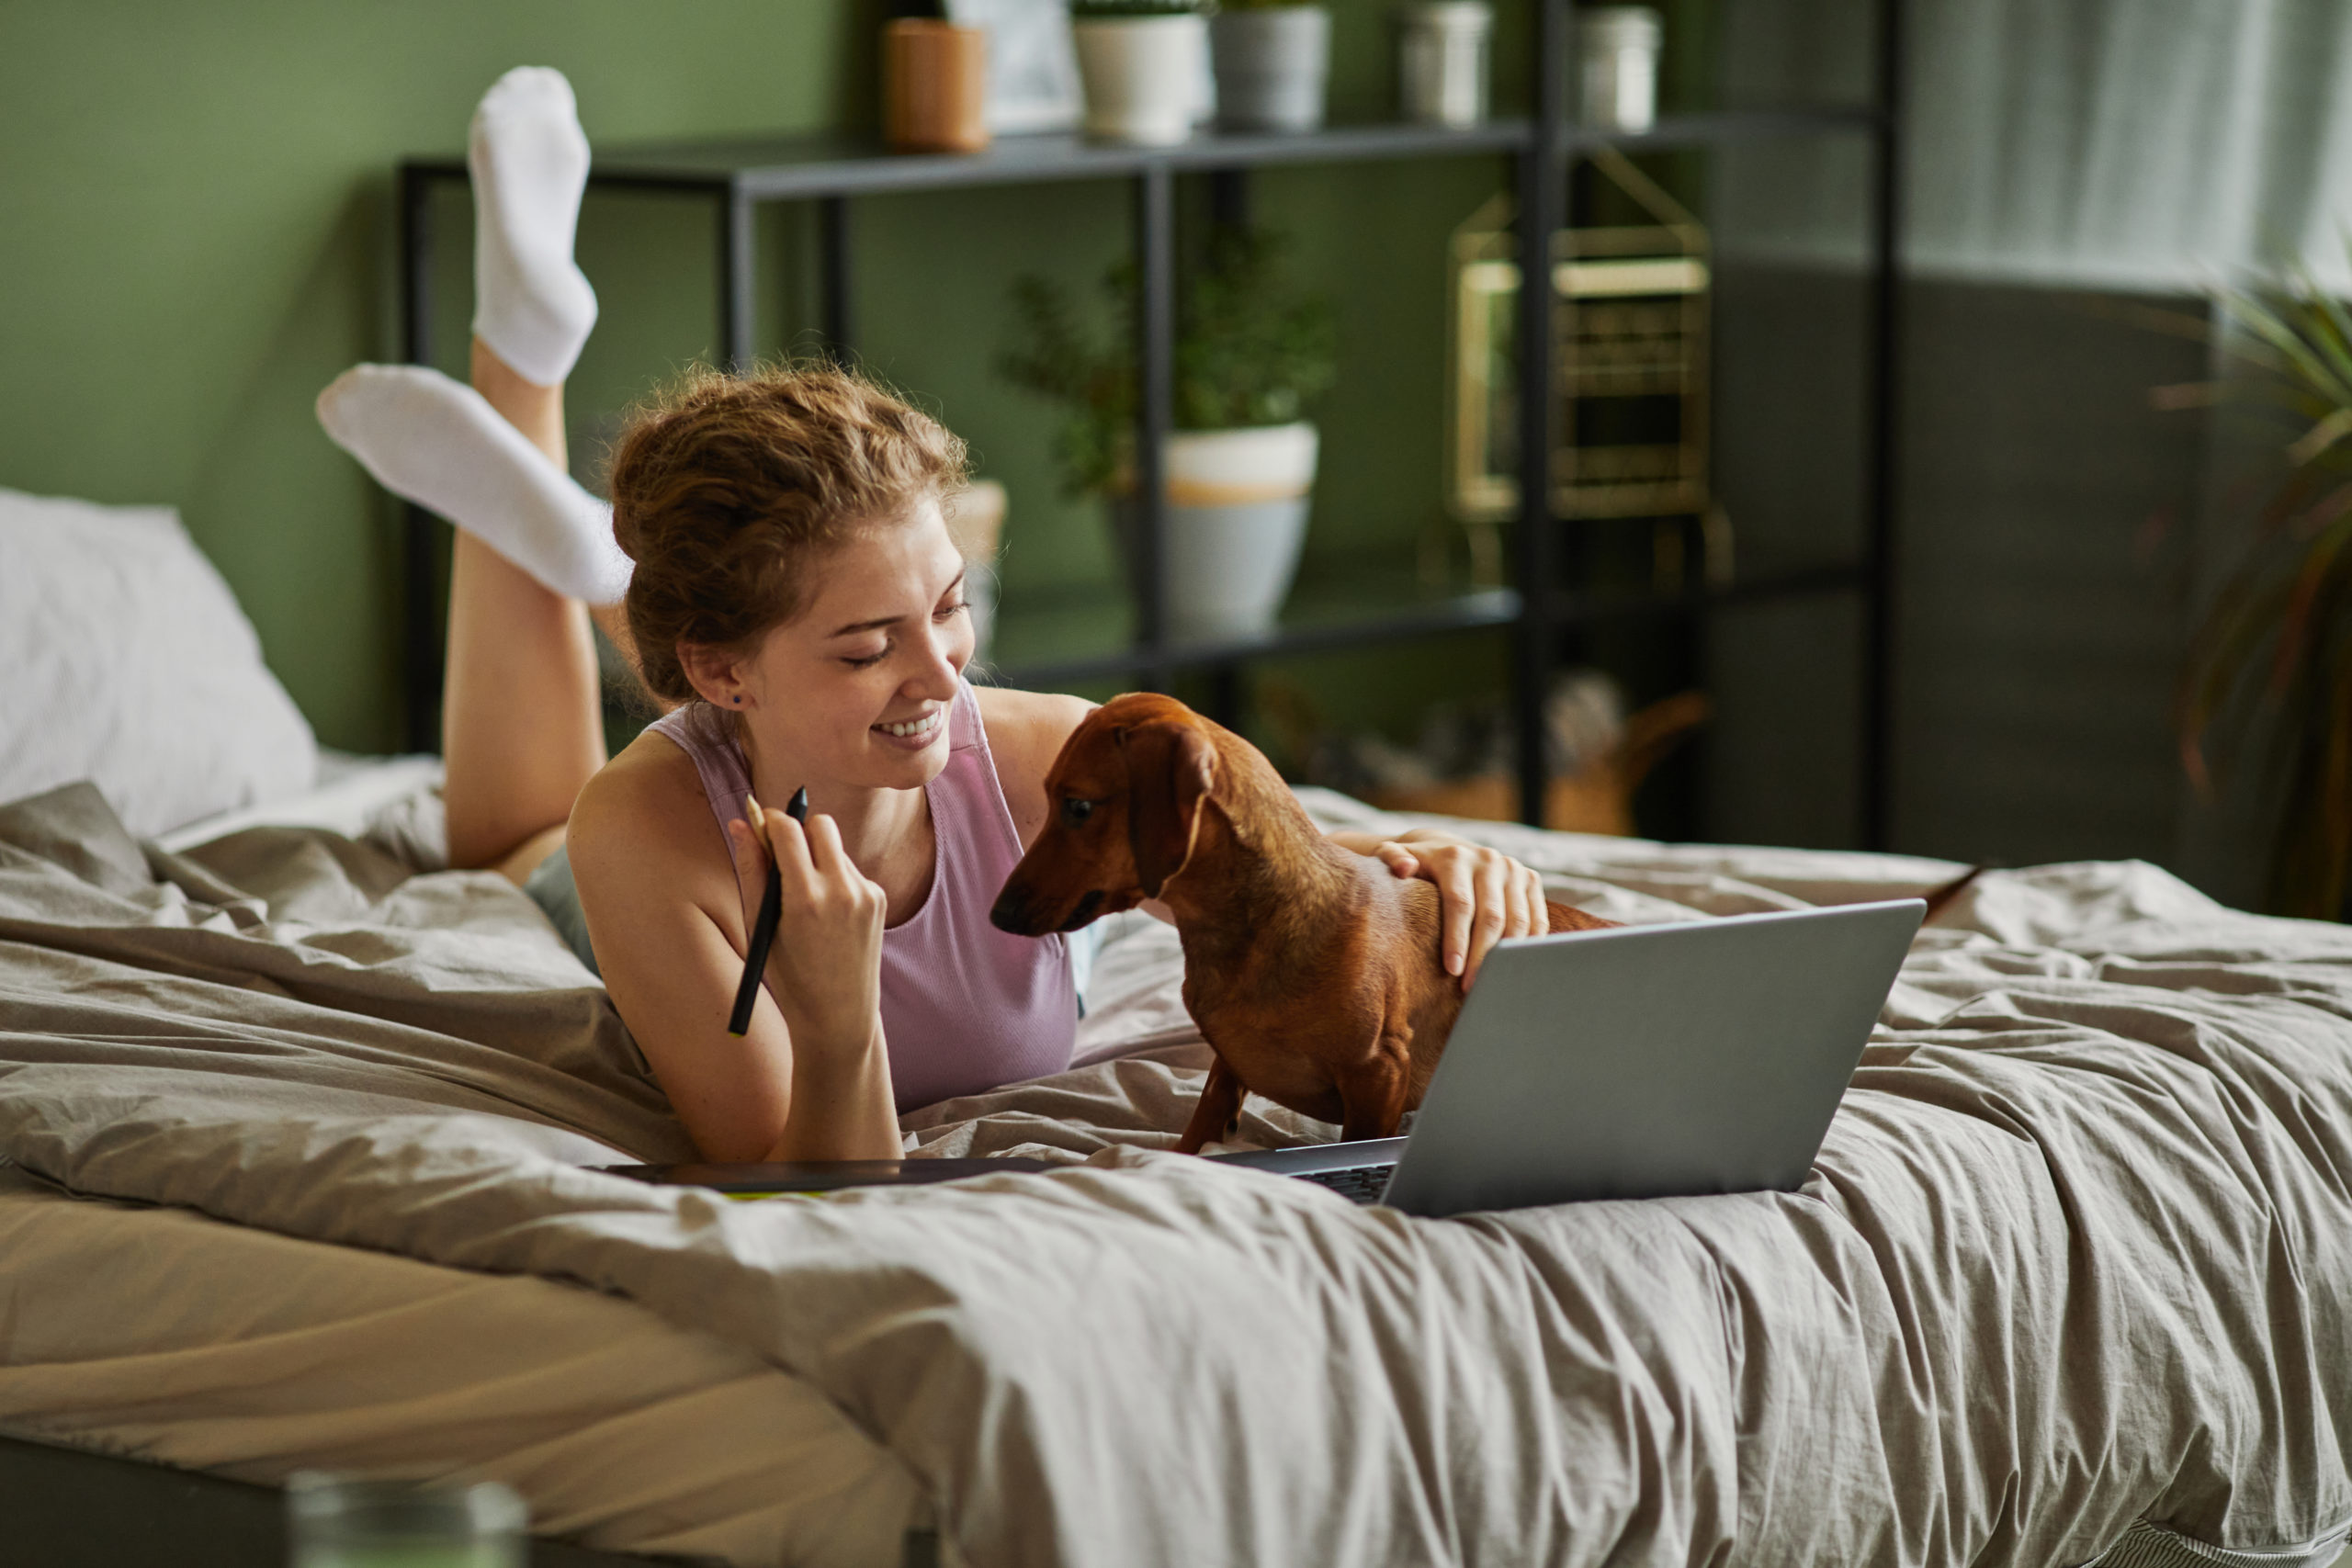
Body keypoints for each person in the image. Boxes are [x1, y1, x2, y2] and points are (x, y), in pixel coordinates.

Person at [316, 67, 1555, 1166]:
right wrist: (838, 1010)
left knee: (742, 663)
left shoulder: (1041, 756)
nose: (941, 674)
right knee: (508, 840)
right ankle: (522, 385)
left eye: (950, 609)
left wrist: (1440, 865)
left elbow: (1280, 864)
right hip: (633, 846)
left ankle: (559, 474)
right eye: (869, 645)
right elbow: (799, 1169)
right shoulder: (641, 835)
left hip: (726, 671)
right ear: (720, 674)